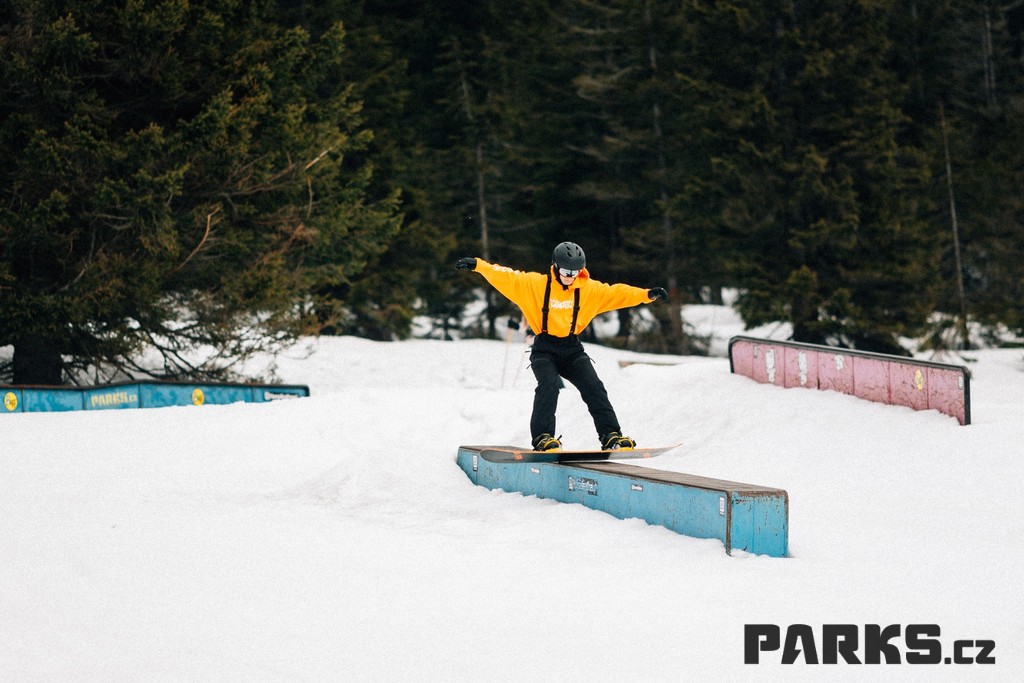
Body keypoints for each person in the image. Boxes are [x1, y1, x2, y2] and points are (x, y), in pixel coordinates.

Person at [456, 242, 668, 451]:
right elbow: (505, 276)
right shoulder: (535, 285)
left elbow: (618, 293)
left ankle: (611, 435)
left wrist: (646, 295)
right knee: (548, 386)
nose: (570, 276)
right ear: (555, 266)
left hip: (572, 349)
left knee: (593, 386)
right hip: (544, 349)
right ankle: (543, 438)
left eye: (575, 272)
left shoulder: (589, 289)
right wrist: (478, 265)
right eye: (566, 271)